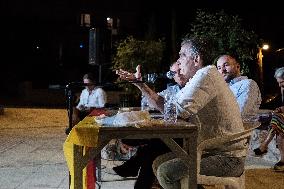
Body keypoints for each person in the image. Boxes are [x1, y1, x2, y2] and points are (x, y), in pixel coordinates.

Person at [151, 37, 246, 189]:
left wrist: (141, 86)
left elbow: (178, 111)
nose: (179, 60)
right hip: (211, 151)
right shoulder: (200, 76)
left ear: (196, 59)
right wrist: (142, 86)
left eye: (182, 55)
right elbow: (172, 105)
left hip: (227, 159)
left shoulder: (206, 74)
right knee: (158, 163)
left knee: (165, 172)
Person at [113, 62, 187, 189]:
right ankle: (134, 164)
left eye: (180, 70)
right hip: (172, 132)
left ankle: (133, 164)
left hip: (185, 138)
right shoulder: (171, 89)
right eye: (174, 73)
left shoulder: (192, 89)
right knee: (150, 149)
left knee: (150, 148)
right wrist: (141, 85)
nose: (178, 74)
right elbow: (150, 101)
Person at [253, 67, 284, 171]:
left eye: (282, 82)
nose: (280, 85)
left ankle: (264, 145)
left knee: (277, 118)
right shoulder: (283, 88)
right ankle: (282, 160)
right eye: (278, 83)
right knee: (278, 125)